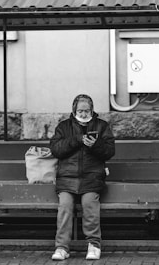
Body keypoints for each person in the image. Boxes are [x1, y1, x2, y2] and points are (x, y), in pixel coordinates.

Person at [50, 94, 115, 261]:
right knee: (65, 206)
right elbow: (56, 149)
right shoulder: (64, 127)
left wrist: (95, 145)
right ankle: (62, 247)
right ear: (74, 110)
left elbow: (109, 151)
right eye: (81, 110)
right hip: (67, 178)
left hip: (91, 178)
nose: (84, 113)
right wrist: (77, 140)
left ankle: (94, 245)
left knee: (89, 205)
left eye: (87, 110)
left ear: (92, 110)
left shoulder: (102, 126)